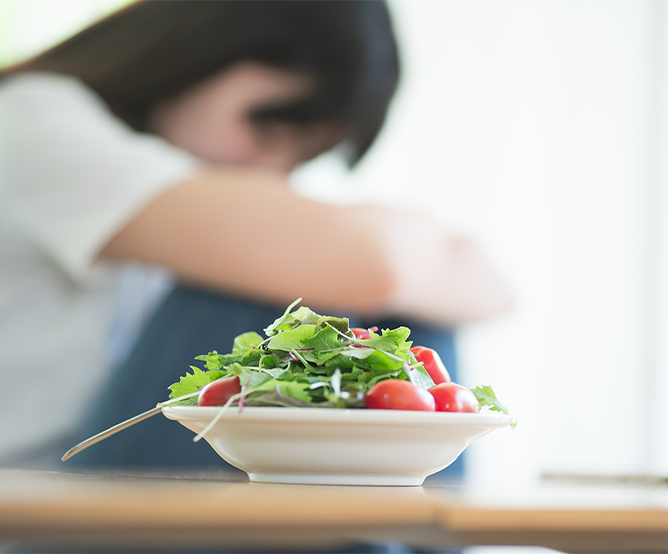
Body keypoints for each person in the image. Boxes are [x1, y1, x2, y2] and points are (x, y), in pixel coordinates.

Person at [0, 0, 511, 475]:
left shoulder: (157, 170)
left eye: (298, 159)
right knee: (287, 287)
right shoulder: (31, 121)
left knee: (391, 320)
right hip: (41, 509)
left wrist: (397, 266)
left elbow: (494, 287)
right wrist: (423, 255)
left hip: (112, 488)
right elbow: (379, 264)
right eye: (267, 129)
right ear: (202, 50)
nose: (270, 173)